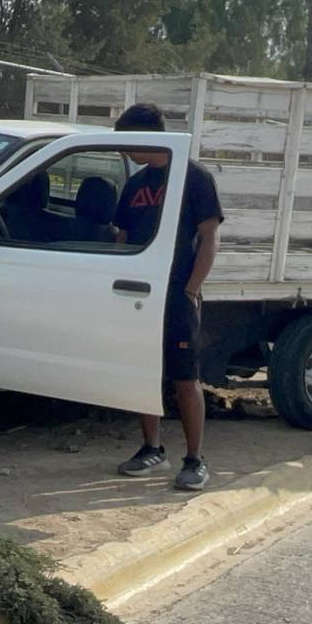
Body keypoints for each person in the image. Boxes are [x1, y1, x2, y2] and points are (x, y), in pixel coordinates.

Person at [110, 103, 224, 491]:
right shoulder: (136, 184)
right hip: (138, 295)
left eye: (129, 141)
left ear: (150, 135)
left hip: (177, 295)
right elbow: (122, 239)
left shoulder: (194, 178)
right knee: (142, 373)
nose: (125, 151)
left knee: (184, 378)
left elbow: (209, 239)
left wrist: (190, 290)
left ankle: (195, 460)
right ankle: (152, 448)